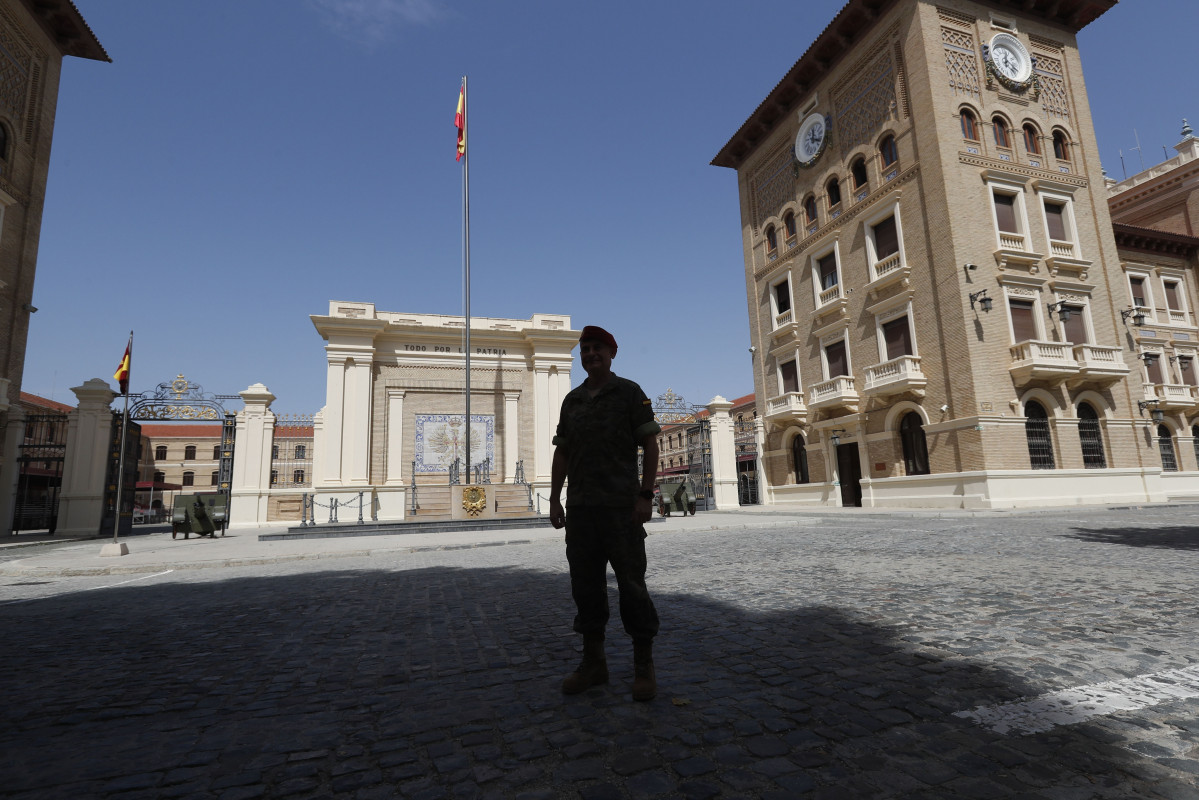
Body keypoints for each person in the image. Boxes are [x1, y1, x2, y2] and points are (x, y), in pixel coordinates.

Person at [550, 325, 661, 701]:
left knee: (632, 586)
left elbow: (650, 442)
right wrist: (554, 498)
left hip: (621, 509)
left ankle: (643, 666)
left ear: (612, 353)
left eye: (597, 348)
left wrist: (645, 494)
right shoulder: (573, 401)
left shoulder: (629, 393)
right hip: (581, 510)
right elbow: (562, 451)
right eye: (585, 349)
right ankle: (594, 663)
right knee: (585, 587)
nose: (590, 354)